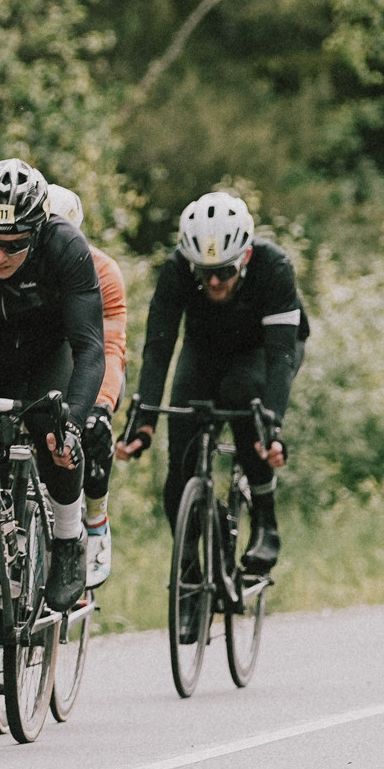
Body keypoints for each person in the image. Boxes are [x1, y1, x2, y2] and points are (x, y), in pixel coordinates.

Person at [0, 159, 107, 613]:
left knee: (56, 437)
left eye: (14, 246)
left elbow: (90, 348)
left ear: (38, 230)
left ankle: (69, 539)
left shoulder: (65, 244)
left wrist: (75, 420)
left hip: (50, 351)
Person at [117, 191, 306, 576]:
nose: (215, 281)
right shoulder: (176, 270)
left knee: (244, 401)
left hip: (264, 349)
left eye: (226, 271)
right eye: (205, 272)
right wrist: (144, 418)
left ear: (246, 258)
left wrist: (272, 425)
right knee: (178, 471)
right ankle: (189, 578)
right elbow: (158, 348)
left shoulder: (274, 267)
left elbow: (281, 358)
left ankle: (266, 522)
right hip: (204, 349)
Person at [44, 184, 129, 588]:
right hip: (42, 361)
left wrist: (100, 403)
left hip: (89, 362)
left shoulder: (103, 270)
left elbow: (110, 347)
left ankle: (95, 517)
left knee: (93, 427)